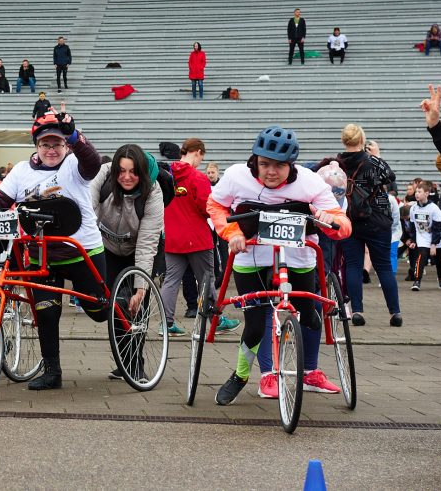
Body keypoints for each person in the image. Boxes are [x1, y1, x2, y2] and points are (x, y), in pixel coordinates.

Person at [0, 111, 106, 390]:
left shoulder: (74, 163)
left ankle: (129, 311)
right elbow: (1, 197)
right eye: (45, 144)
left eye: (57, 144)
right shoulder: (23, 170)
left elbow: (92, 163)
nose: (51, 150)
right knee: (46, 312)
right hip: (41, 255)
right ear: (36, 145)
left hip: (81, 249)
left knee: (98, 310)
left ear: (66, 145)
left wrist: (74, 135)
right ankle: (52, 372)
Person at [207, 125, 351, 405]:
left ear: (292, 165)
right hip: (251, 255)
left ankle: (307, 365)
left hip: (298, 256)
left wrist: (327, 218)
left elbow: (343, 225)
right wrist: (232, 233)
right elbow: (215, 207)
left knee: (309, 314)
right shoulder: (236, 176)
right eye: (264, 164)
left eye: (279, 166)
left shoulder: (309, 182)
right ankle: (241, 375)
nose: (270, 171)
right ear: (255, 161)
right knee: (254, 325)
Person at [90, 143, 164, 380]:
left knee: (136, 307)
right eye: (121, 171)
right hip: (106, 246)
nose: (126, 177)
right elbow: (88, 211)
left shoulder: (153, 192)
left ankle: (135, 364)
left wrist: (141, 288)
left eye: (133, 172)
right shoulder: (103, 176)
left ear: (141, 173)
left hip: (138, 249)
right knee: (115, 306)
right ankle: (125, 362)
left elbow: (147, 243)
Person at [161, 138, 239, 336]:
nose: (200, 162)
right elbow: (207, 209)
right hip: (197, 238)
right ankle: (216, 319)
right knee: (207, 279)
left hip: (173, 237)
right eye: (201, 157)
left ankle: (166, 323)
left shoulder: (167, 175)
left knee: (170, 281)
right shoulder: (198, 178)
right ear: (197, 152)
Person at [336, 123, 402, 327]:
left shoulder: (336, 164)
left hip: (349, 219)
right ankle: (395, 313)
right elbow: (390, 178)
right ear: (362, 140)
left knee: (353, 266)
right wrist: (377, 154)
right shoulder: (372, 161)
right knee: (383, 266)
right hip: (376, 218)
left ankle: (357, 311)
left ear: (344, 140)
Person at [407, 180, 441, 290]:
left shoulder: (434, 208)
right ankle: (417, 281)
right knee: (422, 257)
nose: (416, 194)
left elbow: (437, 228)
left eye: (419, 192)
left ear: (427, 193)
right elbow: (412, 226)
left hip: (435, 237)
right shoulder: (414, 208)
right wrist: (413, 240)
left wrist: (434, 244)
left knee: (439, 260)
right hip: (422, 238)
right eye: (416, 191)